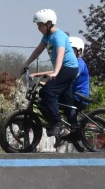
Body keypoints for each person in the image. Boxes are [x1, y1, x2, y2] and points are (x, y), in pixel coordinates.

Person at [21, 9, 79, 138]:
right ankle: (75, 129)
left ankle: (58, 124)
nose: (38, 28)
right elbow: (38, 50)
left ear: (48, 24)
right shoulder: (47, 36)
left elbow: (60, 56)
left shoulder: (59, 36)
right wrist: (27, 63)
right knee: (66, 100)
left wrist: (55, 73)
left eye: (40, 25)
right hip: (63, 69)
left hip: (68, 69)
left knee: (48, 92)